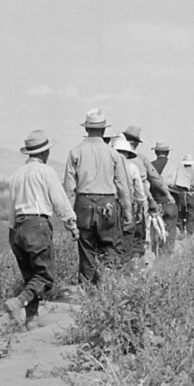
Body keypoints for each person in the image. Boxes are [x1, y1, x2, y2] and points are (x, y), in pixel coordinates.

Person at [3, 130, 77, 327]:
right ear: (45, 153)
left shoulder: (16, 175)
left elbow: (11, 206)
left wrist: (13, 232)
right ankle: (18, 302)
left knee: (31, 276)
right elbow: (60, 200)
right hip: (36, 226)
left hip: (16, 229)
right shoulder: (46, 172)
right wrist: (71, 224)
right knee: (44, 276)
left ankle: (31, 320)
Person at [61, 109, 135, 285]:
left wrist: (69, 217)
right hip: (107, 204)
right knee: (110, 246)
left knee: (86, 249)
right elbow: (122, 186)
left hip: (84, 203)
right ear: (103, 130)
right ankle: (106, 283)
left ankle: (86, 291)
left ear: (87, 130)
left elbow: (69, 188)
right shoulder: (113, 154)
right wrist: (128, 211)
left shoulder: (75, 152)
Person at [114, 127, 153, 265]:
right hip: (128, 206)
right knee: (130, 237)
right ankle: (128, 264)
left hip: (110, 207)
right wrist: (141, 210)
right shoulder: (132, 167)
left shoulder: (108, 166)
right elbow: (140, 194)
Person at [171, 156, 194, 234]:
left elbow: (173, 184)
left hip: (180, 195)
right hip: (192, 196)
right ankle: (190, 233)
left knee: (180, 214)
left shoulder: (179, 171)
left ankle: (181, 231)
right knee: (191, 215)